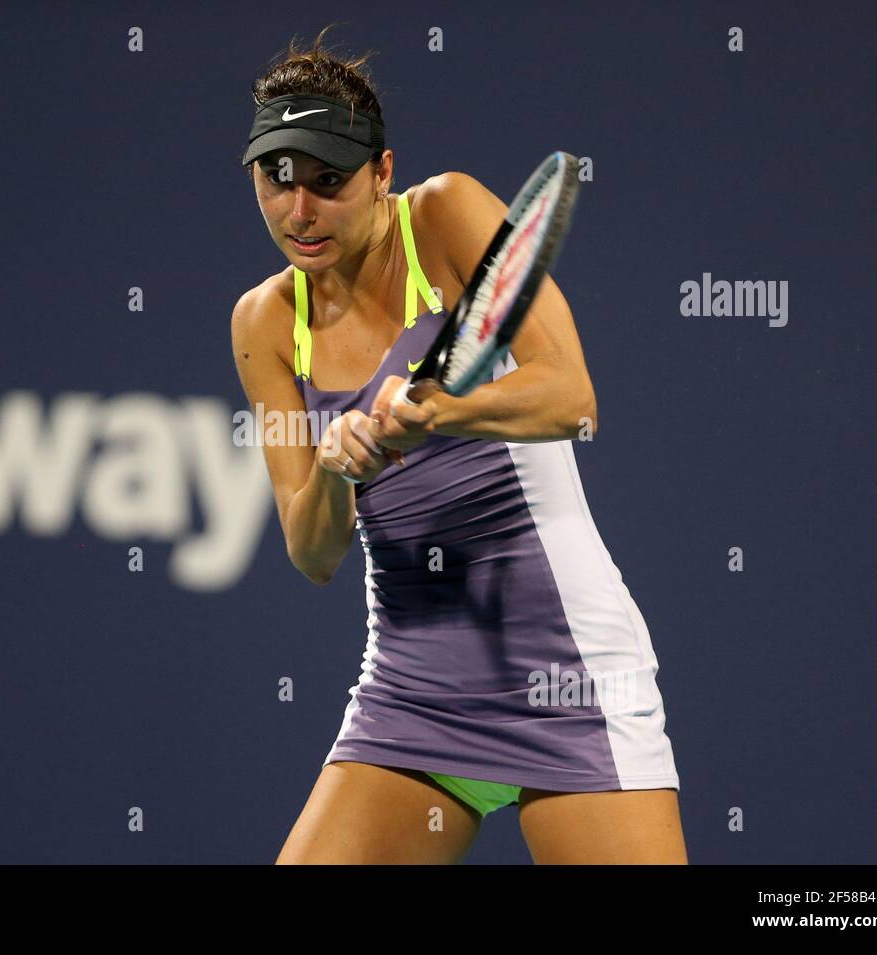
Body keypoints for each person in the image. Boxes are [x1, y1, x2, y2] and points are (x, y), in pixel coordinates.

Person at [230, 27, 687, 864]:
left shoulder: (444, 215)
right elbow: (312, 550)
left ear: (383, 173)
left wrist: (435, 413)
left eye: (328, 181)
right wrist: (337, 471)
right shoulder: (264, 321)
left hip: (565, 670)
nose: (299, 210)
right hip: (412, 692)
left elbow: (571, 397)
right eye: (277, 178)